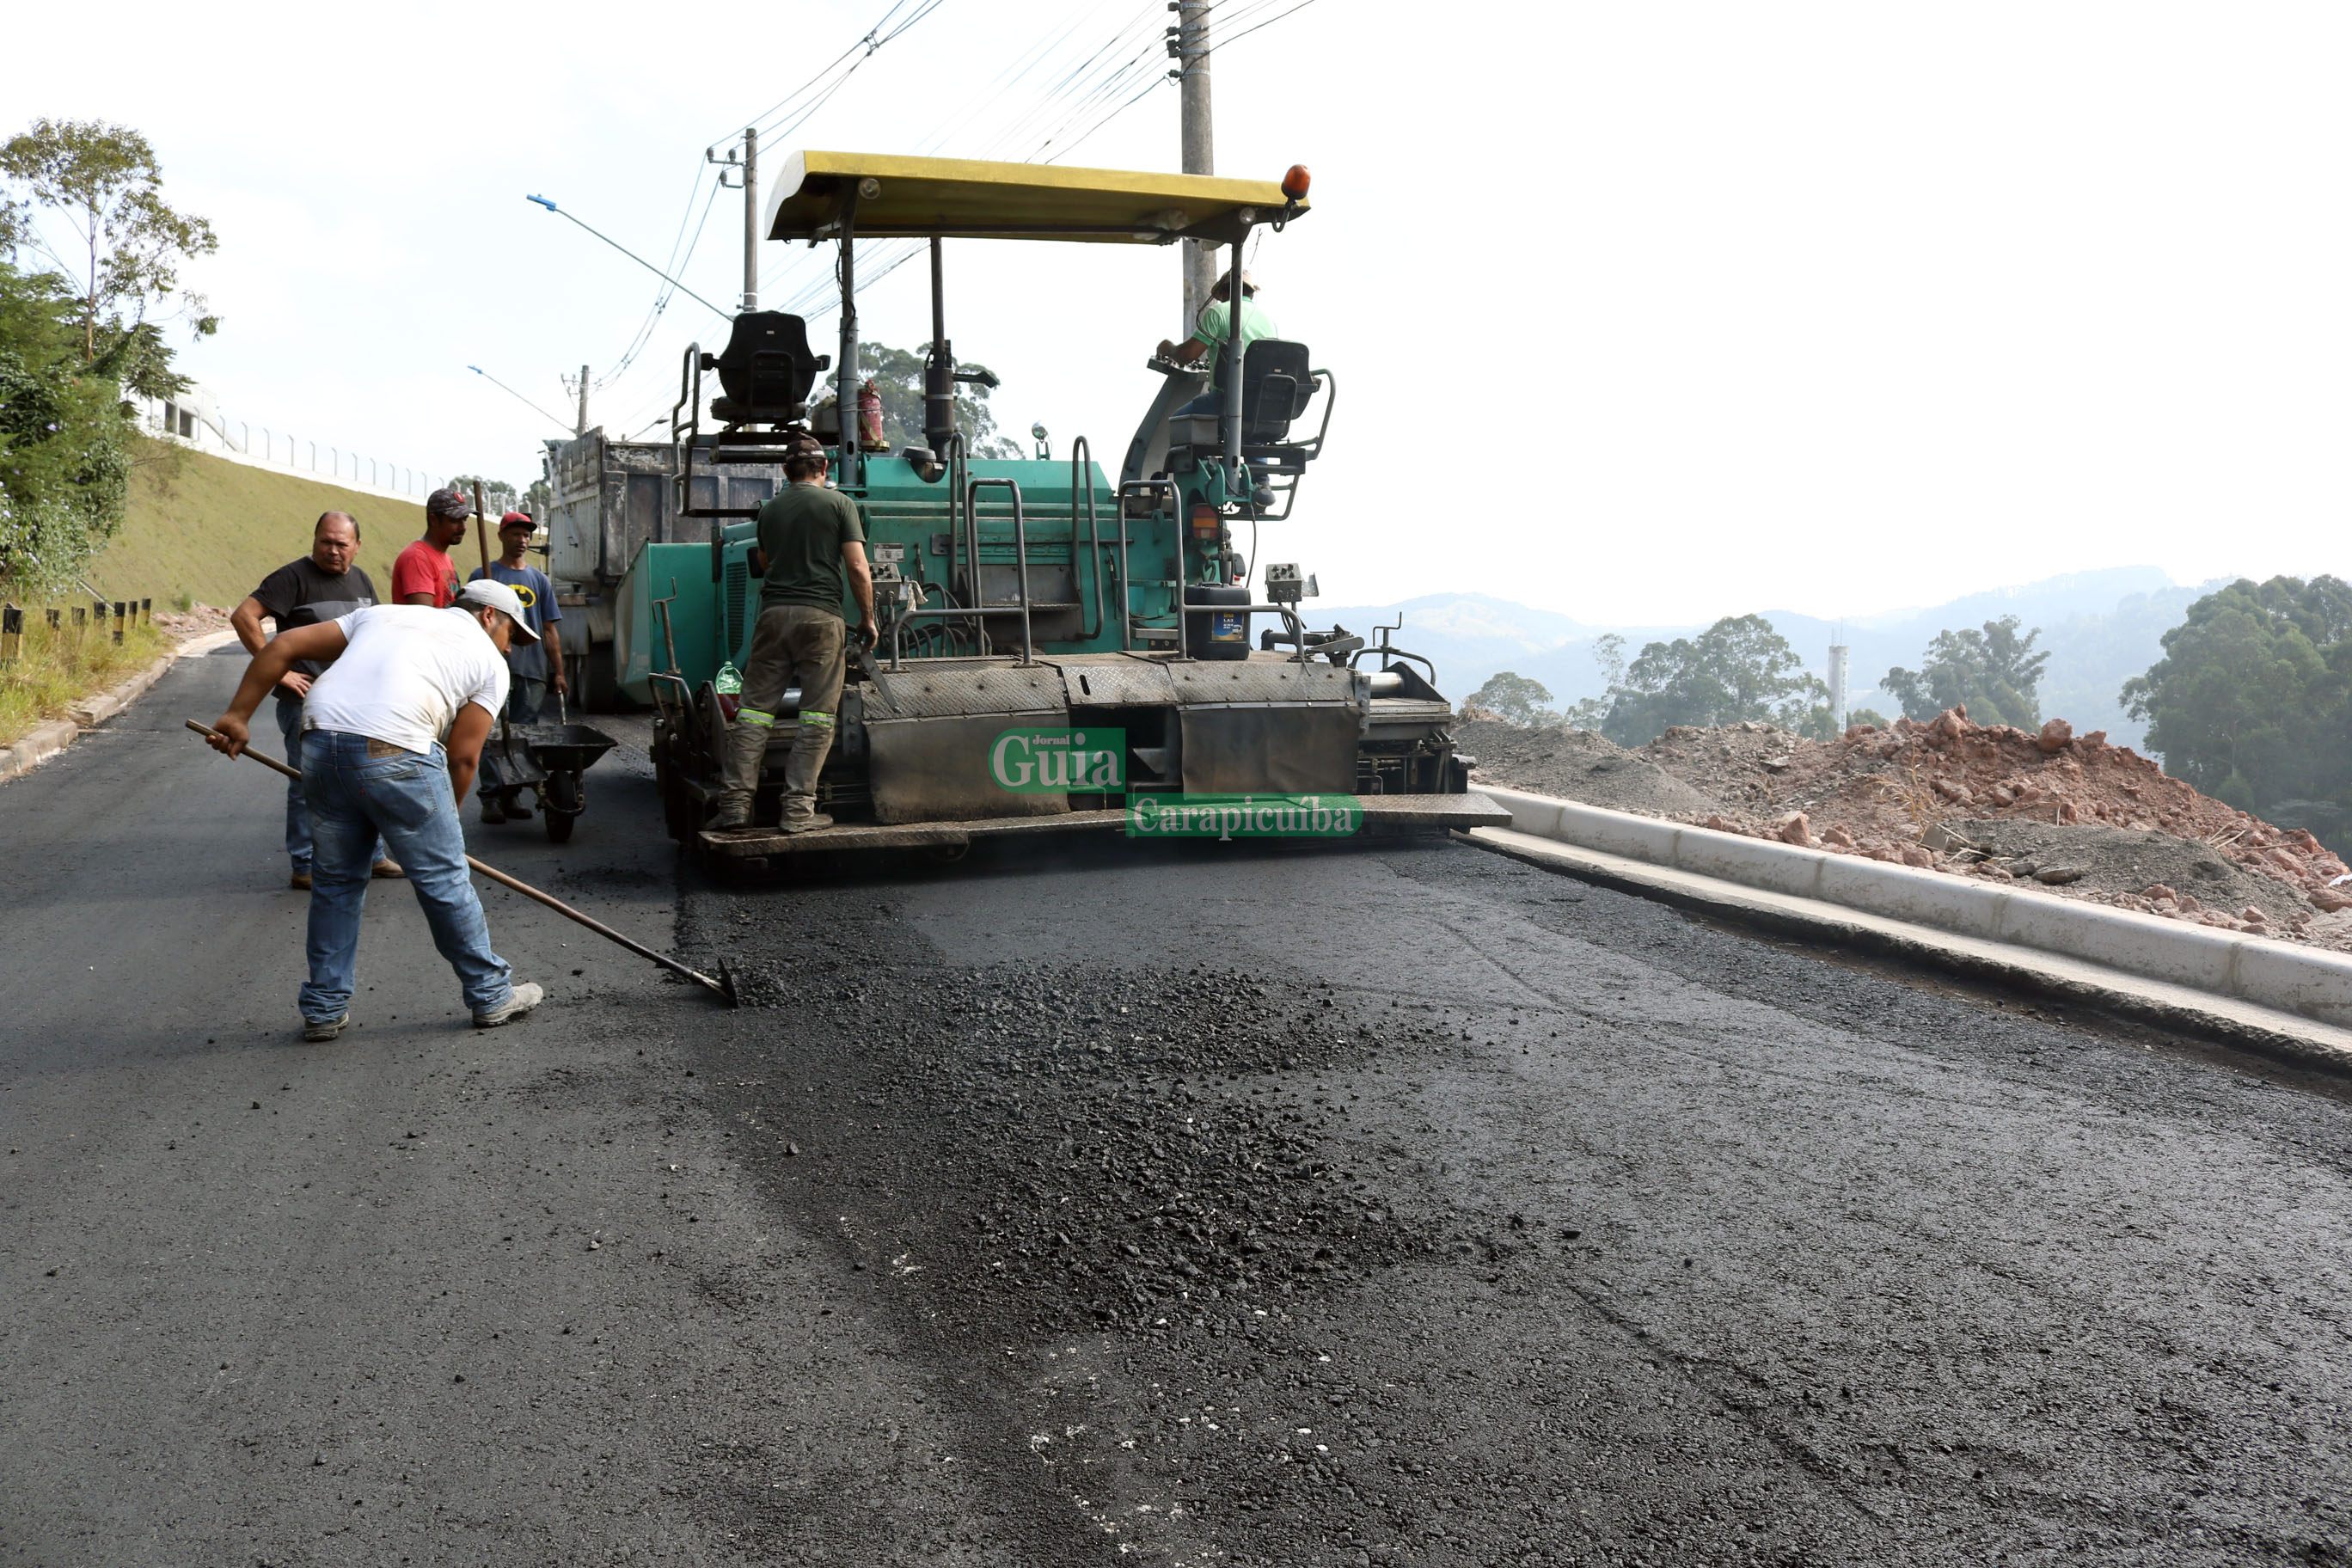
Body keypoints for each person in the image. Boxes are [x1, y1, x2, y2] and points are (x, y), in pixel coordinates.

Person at [205, 580, 546, 1040]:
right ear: (488, 616)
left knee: (337, 882)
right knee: (444, 880)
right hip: (397, 746)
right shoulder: (489, 663)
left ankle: (324, 1008)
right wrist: (443, 825)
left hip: (321, 738)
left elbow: (283, 644)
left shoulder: (384, 614)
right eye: (512, 635)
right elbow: (464, 757)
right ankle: (490, 993)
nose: (510, 648)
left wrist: (237, 717)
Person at [708, 445, 878, 833]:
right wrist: (868, 618)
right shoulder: (839, 504)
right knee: (817, 716)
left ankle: (735, 807)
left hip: (772, 618)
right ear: (824, 467)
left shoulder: (769, 510)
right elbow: (856, 565)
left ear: (786, 470)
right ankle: (799, 811)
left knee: (753, 713)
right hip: (820, 618)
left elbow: (765, 563)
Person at [229, 511, 401, 887]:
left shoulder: (361, 581)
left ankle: (372, 857)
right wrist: (279, 670)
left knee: (364, 779)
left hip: (355, 702)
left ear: (357, 546)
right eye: (326, 541)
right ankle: (305, 865)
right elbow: (244, 617)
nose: (333, 550)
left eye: (342, 543)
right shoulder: (292, 578)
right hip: (306, 703)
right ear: (314, 540)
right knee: (308, 782)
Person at [1155, 269, 1277, 417]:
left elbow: (1187, 356)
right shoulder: (1269, 321)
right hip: (1262, 404)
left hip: (1226, 400)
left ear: (1223, 292)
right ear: (1251, 294)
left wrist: (1169, 349)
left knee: (1177, 421)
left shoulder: (1218, 312)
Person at [394, 487, 470, 607]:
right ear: (433, 519)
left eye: (465, 519)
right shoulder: (417, 558)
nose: (463, 527)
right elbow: (423, 618)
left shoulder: (447, 559)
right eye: (455, 520)